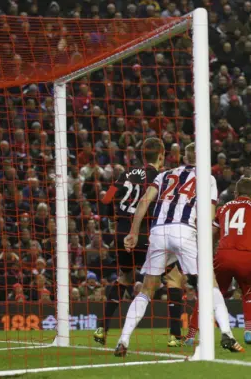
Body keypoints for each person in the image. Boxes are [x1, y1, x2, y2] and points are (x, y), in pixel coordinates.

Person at [114, 143, 240, 356]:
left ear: (184, 156)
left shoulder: (164, 175)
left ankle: (123, 339)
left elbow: (144, 201)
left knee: (147, 289)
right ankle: (227, 333)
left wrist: (134, 232)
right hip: (184, 231)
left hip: (158, 232)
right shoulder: (207, 178)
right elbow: (208, 216)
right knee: (210, 282)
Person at [93, 138, 181, 347]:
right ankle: (175, 334)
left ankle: (102, 328)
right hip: (147, 235)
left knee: (125, 277)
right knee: (173, 277)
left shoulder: (126, 173)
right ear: (161, 155)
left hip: (121, 236)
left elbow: (107, 199)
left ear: (142, 155)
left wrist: (112, 217)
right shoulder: (162, 177)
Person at [184, 178, 251, 346]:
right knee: (248, 291)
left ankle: (191, 335)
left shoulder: (223, 208)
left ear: (236, 194)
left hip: (223, 255)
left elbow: (212, 232)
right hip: (247, 256)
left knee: (210, 294)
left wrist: (207, 254)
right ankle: (248, 332)